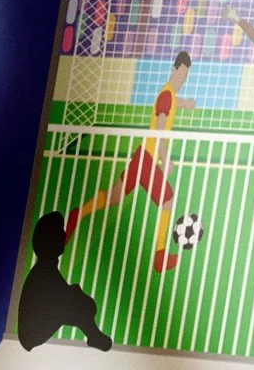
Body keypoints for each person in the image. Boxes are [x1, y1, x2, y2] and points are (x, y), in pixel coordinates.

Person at [64, 49, 192, 272]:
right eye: (180, 74)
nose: (182, 79)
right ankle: (160, 256)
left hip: (140, 156)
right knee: (168, 200)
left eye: (185, 76)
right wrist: (165, 159)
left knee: (114, 197)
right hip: (148, 159)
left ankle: (78, 214)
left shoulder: (169, 94)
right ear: (173, 69)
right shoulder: (166, 95)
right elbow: (160, 129)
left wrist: (186, 103)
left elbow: (172, 103)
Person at [17, 212, 111, 350]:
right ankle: (94, 335)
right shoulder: (44, 272)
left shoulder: (46, 269)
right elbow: (67, 299)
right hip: (33, 335)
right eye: (59, 232)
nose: (64, 235)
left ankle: (94, 335)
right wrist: (78, 296)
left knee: (77, 299)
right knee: (79, 301)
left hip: (36, 330)